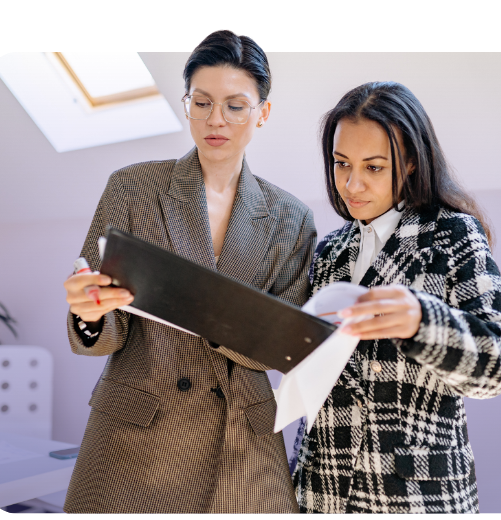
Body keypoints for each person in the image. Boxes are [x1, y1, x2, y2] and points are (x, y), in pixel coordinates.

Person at [62, 30, 315, 514]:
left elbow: (282, 346)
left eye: (235, 106)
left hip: (240, 444)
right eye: (201, 102)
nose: (215, 120)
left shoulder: (291, 217)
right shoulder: (133, 187)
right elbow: (105, 329)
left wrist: (210, 311)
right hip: (135, 436)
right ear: (186, 104)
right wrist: (89, 313)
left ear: (262, 112)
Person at [291, 81, 501, 514]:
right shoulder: (328, 252)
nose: (351, 183)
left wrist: (422, 322)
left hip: (416, 496)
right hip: (321, 491)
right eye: (341, 164)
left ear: (412, 161)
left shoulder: (453, 234)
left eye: (373, 167)